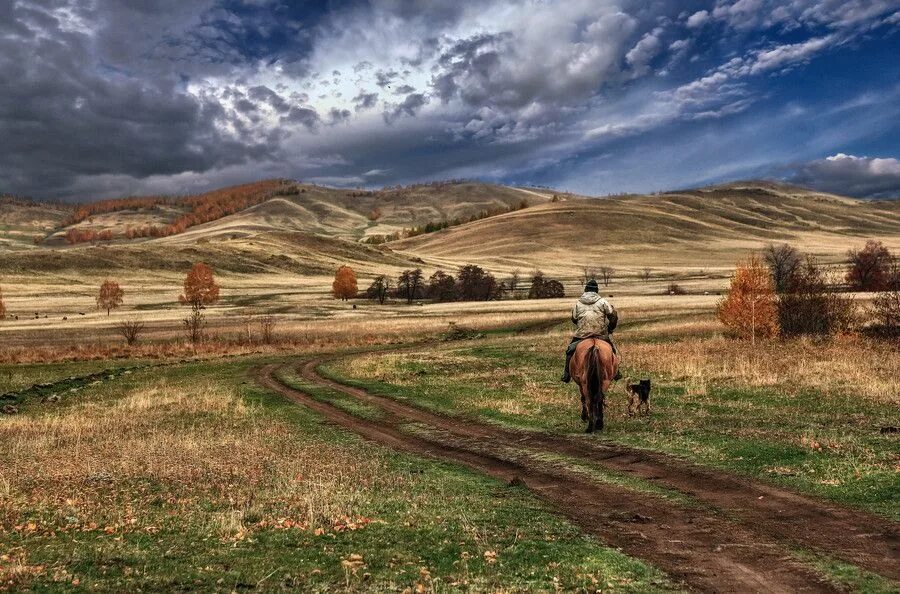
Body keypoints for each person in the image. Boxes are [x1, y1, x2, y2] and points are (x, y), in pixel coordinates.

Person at [561, 279, 621, 382]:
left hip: (582, 334)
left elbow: (574, 318)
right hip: (600, 334)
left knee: (570, 351)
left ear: (585, 290)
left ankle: (566, 374)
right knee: (612, 350)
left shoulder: (578, 303)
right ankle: (616, 372)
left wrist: (582, 325)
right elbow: (613, 315)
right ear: (597, 290)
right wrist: (610, 328)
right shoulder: (603, 302)